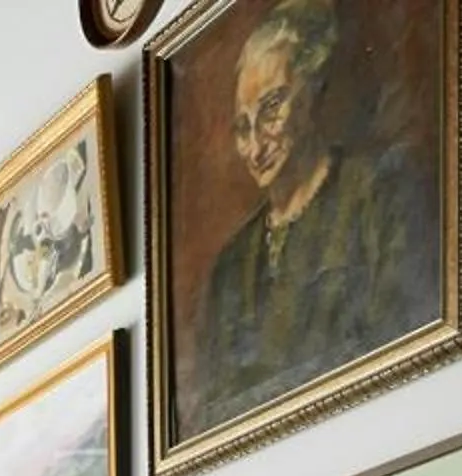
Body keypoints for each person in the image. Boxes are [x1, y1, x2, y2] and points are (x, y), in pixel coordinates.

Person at [185, 0, 438, 436]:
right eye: (243, 127)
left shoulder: (378, 196)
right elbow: (212, 415)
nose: (256, 143)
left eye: (272, 107)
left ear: (314, 87)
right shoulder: (231, 265)